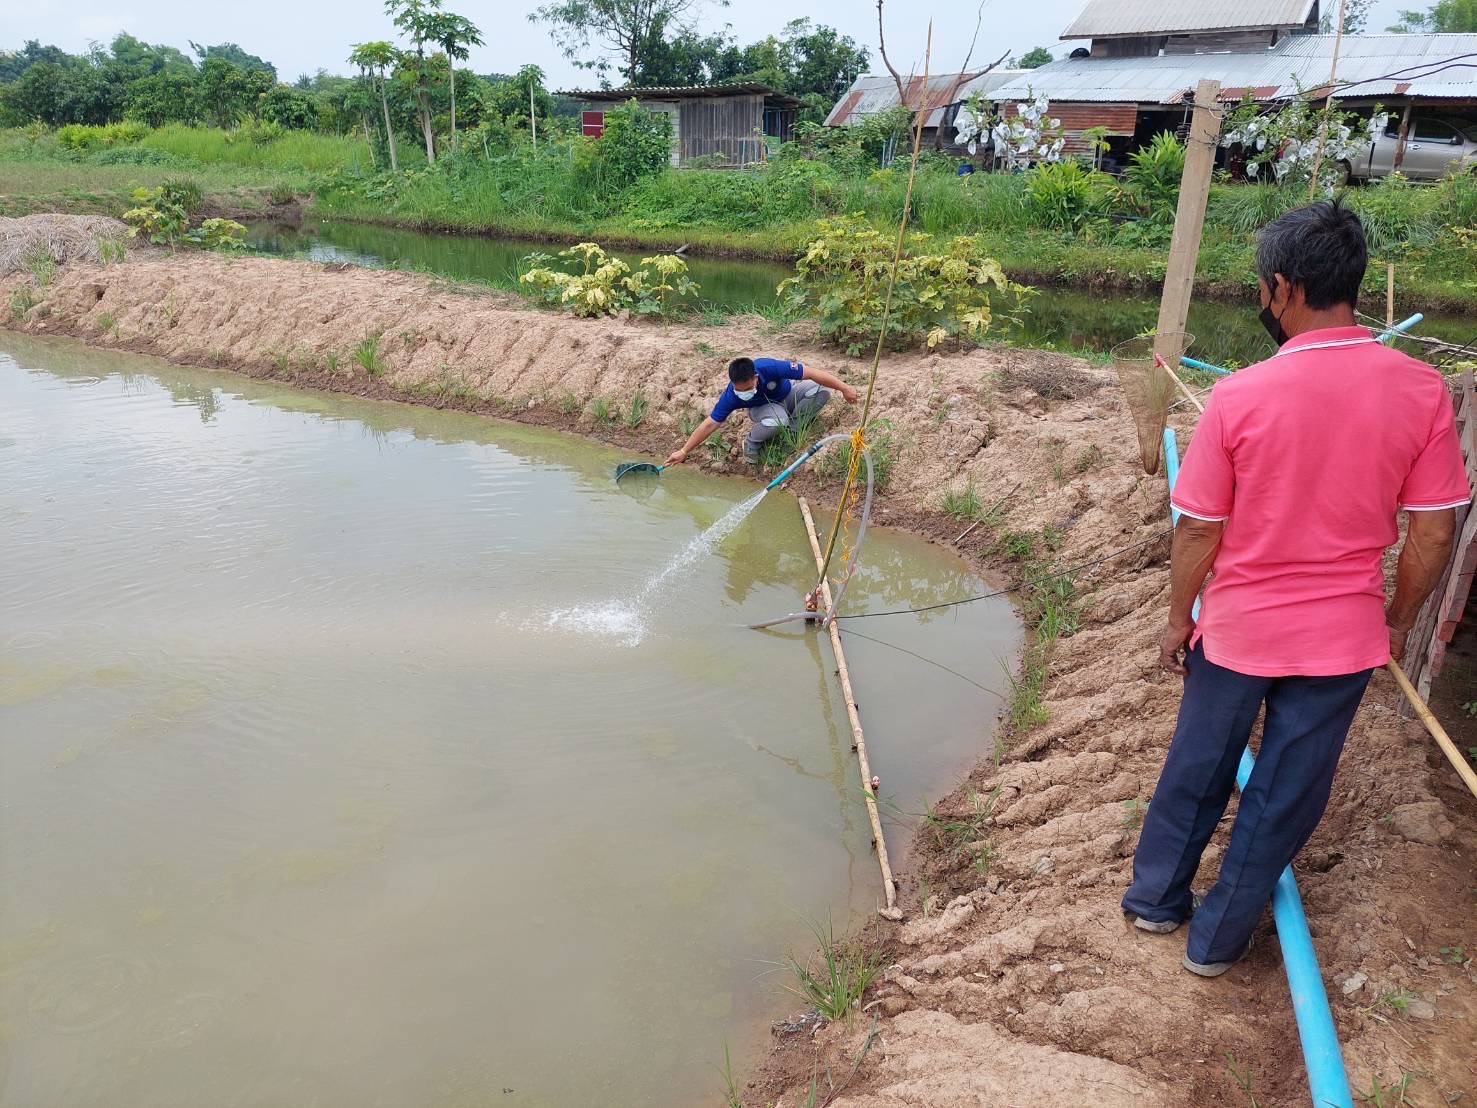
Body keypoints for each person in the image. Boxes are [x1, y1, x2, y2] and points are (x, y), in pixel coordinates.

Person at [1121, 199, 1468, 977]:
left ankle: (1153, 904)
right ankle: (1215, 944)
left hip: (1238, 630)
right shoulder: (1420, 392)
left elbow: (1199, 529)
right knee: (1283, 793)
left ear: (1281, 288)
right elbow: (1433, 531)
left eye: (1260, 287)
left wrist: (1178, 617)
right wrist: (1394, 621)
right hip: (1340, 638)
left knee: (1198, 765)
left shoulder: (1239, 396)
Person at [665, 356, 858, 467]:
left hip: (787, 395)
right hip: (762, 410)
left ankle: (793, 432)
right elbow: (710, 423)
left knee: (821, 390)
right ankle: (751, 442)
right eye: (739, 389)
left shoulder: (770, 367)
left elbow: (812, 373)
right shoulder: (731, 395)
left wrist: (844, 388)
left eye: (748, 388)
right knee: (778, 420)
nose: (744, 393)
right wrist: (683, 451)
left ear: (756, 377)